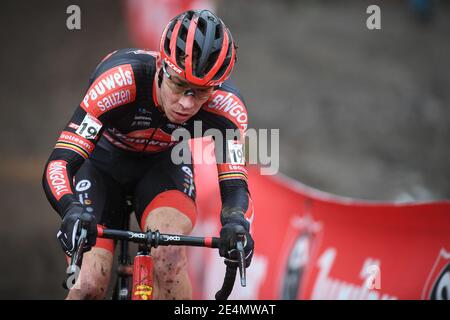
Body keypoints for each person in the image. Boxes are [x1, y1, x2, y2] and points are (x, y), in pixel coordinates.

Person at [42, 9, 254, 300]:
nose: (187, 104)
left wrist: (237, 222)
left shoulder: (227, 109)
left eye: (201, 92)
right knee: (88, 284)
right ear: (160, 66)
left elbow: (235, 186)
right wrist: (70, 209)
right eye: (179, 85)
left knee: (169, 261)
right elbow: (60, 162)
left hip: (164, 166)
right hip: (102, 165)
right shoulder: (119, 81)